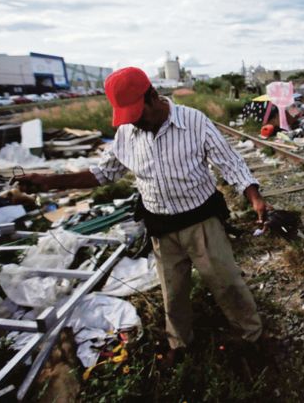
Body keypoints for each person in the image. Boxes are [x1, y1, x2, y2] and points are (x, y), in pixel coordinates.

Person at [16, 67, 268, 367]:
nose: (134, 120)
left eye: (137, 112)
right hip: (162, 227)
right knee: (172, 294)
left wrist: (254, 196)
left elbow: (230, 162)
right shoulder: (127, 133)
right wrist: (48, 181)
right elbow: (102, 174)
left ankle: (250, 337)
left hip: (201, 222)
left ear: (151, 96)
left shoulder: (194, 121)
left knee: (227, 284)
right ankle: (180, 344)